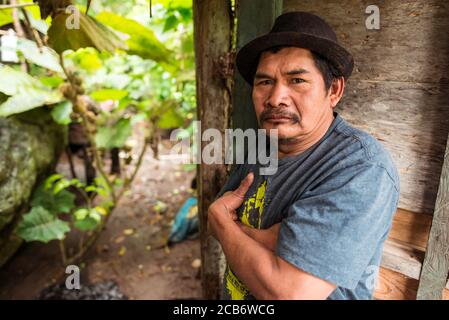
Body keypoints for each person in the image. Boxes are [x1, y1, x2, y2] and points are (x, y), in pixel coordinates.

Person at [207, 11, 400, 300]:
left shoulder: (360, 168)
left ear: (333, 89)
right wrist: (267, 241)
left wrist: (225, 225)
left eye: (296, 80)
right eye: (264, 82)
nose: (275, 98)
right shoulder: (262, 146)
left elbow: (289, 293)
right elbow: (217, 218)